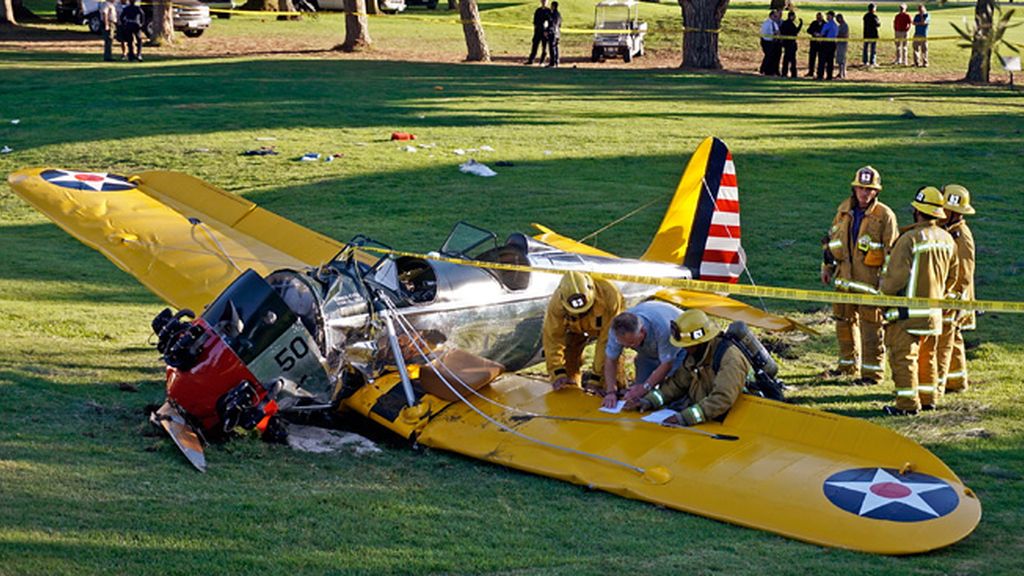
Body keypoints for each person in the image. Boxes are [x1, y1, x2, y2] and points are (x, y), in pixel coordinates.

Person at [879, 186, 956, 415]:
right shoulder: (947, 239)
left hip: (908, 315)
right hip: (934, 315)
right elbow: (953, 277)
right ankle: (928, 399)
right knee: (927, 358)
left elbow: (895, 279)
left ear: (917, 211)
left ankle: (907, 406)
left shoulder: (909, 239)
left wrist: (884, 299)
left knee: (904, 360)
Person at [821, 166, 898, 385]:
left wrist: (886, 280)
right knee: (843, 323)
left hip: (869, 285)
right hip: (844, 281)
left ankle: (872, 375)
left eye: (869, 189)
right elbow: (832, 241)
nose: (864, 193)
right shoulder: (843, 210)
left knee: (871, 328)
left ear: (876, 192)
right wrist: (826, 267)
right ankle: (847, 366)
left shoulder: (885, 216)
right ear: (854, 189)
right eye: (861, 188)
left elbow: (891, 253)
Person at [624, 310, 751, 427]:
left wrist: (686, 418)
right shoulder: (696, 354)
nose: (684, 349)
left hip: (728, 422)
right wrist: (649, 401)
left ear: (700, 341)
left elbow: (722, 398)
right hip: (705, 416)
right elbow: (677, 384)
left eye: (687, 345)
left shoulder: (730, 359)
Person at [542, 271, 625, 392]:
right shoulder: (557, 304)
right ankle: (572, 391)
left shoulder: (609, 295)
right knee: (568, 361)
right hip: (574, 329)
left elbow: (607, 341)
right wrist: (557, 372)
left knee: (612, 365)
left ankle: (617, 394)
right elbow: (552, 338)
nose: (581, 314)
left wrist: (596, 379)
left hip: (605, 329)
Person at [602, 300, 686, 409]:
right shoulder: (616, 330)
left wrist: (645, 387)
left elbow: (667, 364)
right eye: (623, 344)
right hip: (647, 354)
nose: (627, 347)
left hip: (678, 349)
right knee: (638, 396)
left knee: (672, 392)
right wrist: (611, 392)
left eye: (631, 343)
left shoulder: (663, 329)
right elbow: (610, 359)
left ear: (642, 331)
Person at [934, 185, 976, 394]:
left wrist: (952, 299)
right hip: (948, 296)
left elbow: (965, 274)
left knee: (943, 341)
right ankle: (957, 381)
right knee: (954, 338)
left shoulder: (961, 236)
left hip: (952, 299)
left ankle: (937, 385)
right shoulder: (949, 230)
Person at [525, 0, 551, 65]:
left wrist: (547, 31)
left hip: (544, 32)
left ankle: (542, 61)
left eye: (545, 1)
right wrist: (536, 28)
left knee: (544, 47)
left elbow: (550, 22)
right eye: (542, 1)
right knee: (534, 46)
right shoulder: (538, 10)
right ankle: (531, 60)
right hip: (537, 32)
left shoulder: (549, 11)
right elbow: (535, 21)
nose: (543, 2)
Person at [779, 10, 803, 78]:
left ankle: (784, 73)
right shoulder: (790, 24)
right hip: (791, 44)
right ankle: (793, 74)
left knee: (786, 59)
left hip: (786, 44)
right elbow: (796, 32)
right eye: (794, 16)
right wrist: (800, 24)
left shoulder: (784, 23)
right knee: (792, 60)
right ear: (791, 16)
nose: (794, 17)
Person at [816, 11, 838, 80]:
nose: (827, 17)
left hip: (826, 43)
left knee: (822, 60)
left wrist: (817, 35)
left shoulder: (828, 24)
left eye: (828, 16)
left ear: (831, 16)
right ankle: (829, 76)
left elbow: (822, 34)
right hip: (833, 43)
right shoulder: (836, 25)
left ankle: (820, 75)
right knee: (830, 61)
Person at [759, 10, 781, 76]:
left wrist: (777, 34)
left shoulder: (774, 23)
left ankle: (770, 71)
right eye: (775, 16)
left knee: (772, 56)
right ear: (771, 16)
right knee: (768, 55)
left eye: (777, 16)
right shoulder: (766, 23)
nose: (776, 17)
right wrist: (773, 34)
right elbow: (764, 32)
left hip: (772, 42)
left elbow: (777, 31)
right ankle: (763, 70)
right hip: (766, 41)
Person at [805, 12, 824, 77]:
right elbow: (808, 30)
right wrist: (814, 33)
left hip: (821, 44)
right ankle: (811, 72)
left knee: (821, 59)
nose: (818, 18)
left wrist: (821, 35)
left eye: (820, 17)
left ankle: (820, 73)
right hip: (813, 44)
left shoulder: (825, 24)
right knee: (812, 58)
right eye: (817, 17)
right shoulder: (814, 23)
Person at [545, 1, 562, 68]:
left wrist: (547, 31)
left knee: (552, 48)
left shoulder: (552, 15)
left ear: (553, 6)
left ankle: (552, 63)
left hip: (553, 33)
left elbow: (552, 24)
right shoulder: (558, 15)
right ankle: (557, 61)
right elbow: (559, 24)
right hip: (557, 33)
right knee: (556, 47)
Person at [835, 13, 850, 79]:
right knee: (839, 59)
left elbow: (844, 35)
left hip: (842, 44)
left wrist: (837, 36)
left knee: (842, 59)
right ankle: (841, 72)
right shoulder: (840, 25)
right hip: (839, 44)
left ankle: (842, 73)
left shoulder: (844, 26)